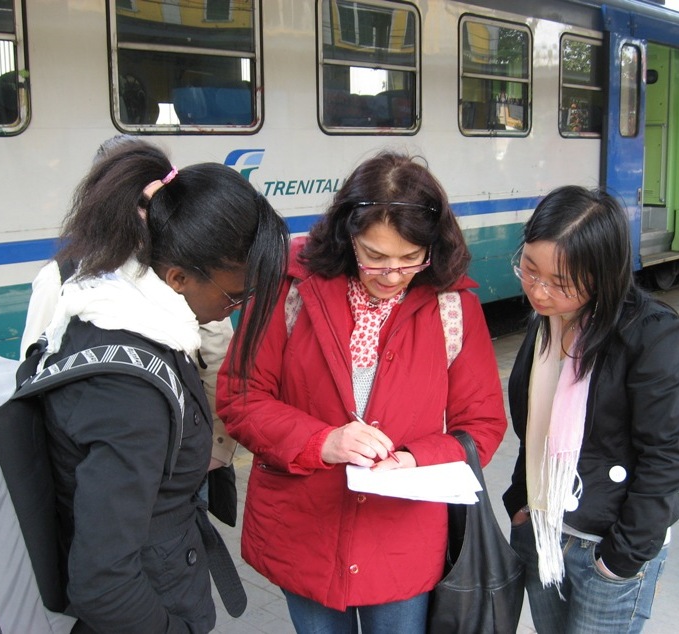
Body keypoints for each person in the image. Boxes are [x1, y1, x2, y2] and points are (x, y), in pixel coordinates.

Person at [216, 150, 508, 632]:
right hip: (305, 532)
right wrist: (321, 442)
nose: (392, 276)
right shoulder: (290, 288)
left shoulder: (454, 307)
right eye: (375, 257)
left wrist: (415, 458)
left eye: (411, 259)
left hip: (401, 539)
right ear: (347, 236)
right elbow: (241, 397)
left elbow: (482, 426)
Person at [38, 139, 289, 633]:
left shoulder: (128, 316)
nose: (236, 308)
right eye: (236, 296)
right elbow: (103, 582)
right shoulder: (129, 394)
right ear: (177, 277)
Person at [502, 185, 679, 633]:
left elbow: (665, 457)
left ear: (603, 276)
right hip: (544, 532)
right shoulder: (545, 323)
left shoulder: (650, 333)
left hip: (606, 546)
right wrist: (520, 503)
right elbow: (535, 428)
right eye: (529, 269)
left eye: (560, 284)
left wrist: (622, 557)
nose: (539, 292)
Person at [20, 135, 238, 473]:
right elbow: (33, 376)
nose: (148, 214)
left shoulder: (184, 265)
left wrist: (214, 451)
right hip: (95, 463)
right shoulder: (60, 279)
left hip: (182, 456)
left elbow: (218, 356)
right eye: (138, 200)